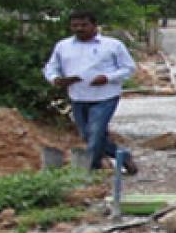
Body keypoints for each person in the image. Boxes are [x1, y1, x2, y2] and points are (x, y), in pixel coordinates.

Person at [43, 11, 138, 173]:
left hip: (105, 96)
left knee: (95, 133)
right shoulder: (63, 46)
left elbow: (128, 68)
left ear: (94, 26)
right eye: (75, 25)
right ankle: (122, 155)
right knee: (88, 135)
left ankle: (89, 170)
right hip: (78, 96)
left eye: (84, 25)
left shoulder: (112, 45)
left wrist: (107, 78)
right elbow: (51, 67)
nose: (79, 28)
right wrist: (56, 79)